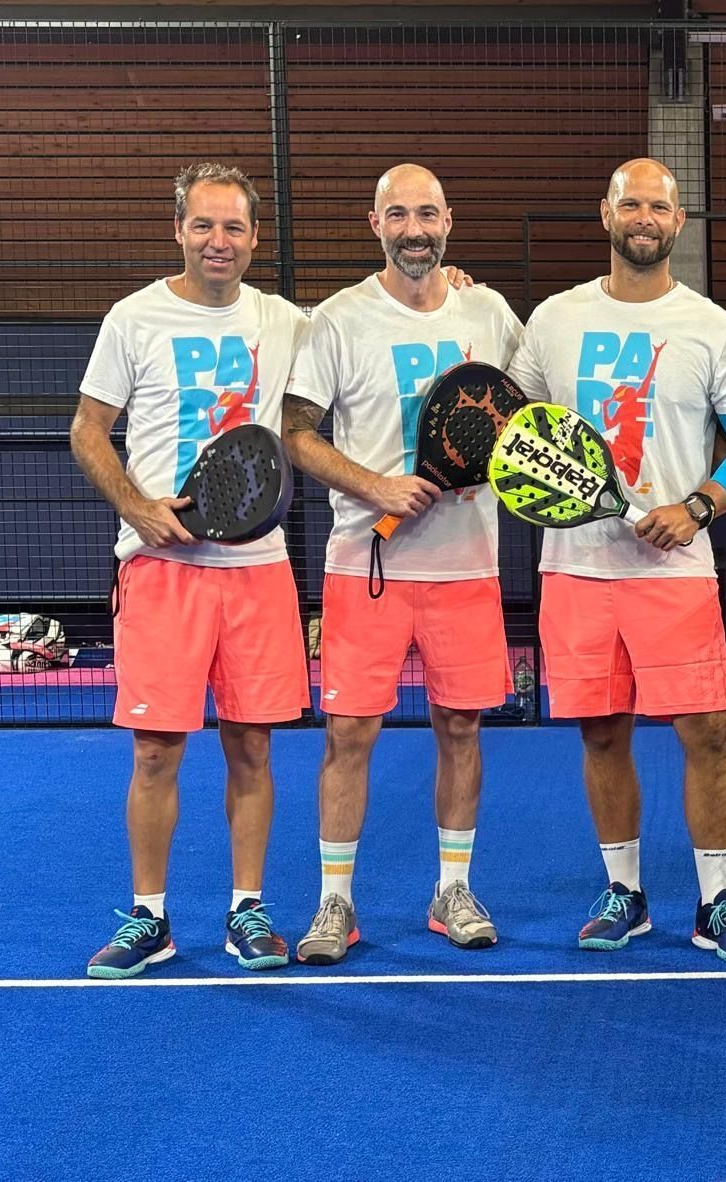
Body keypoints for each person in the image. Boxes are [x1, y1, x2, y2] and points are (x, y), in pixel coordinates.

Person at [507, 158, 726, 962]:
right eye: (631, 202)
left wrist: (695, 506)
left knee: (705, 733)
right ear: (606, 213)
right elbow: (522, 431)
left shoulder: (711, 326)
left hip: (676, 573)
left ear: (678, 220)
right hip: (575, 569)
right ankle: (624, 890)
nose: (644, 216)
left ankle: (716, 898)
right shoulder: (553, 319)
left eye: (659, 205)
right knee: (601, 734)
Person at [281, 164, 523, 964]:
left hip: (467, 566)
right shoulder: (339, 320)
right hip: (367, 565)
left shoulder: (489, 311)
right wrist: (376, 483)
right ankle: (334, 905)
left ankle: (452, 889)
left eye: (427, 213)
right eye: (398, 215)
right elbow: (298, 433)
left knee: (462, 727)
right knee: (349, 732)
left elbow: (529, 415)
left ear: (449, 219)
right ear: (374, 222)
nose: (414, 229)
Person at [72, 162, 309, 978]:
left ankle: (248, 910)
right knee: (154, 753)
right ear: (178, 229)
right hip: (161, 570)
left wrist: (444, 273)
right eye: (204, 225)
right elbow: (88, 431)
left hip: (257, 571)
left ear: (254, 237)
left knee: (252, 748)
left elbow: (374, 319)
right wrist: (138, 507)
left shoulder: (285, 320)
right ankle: (150, 917)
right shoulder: (133, 317)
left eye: (234, 227)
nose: (219, 241)